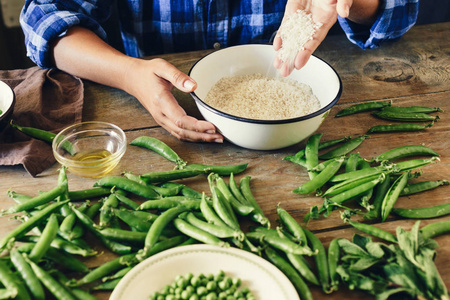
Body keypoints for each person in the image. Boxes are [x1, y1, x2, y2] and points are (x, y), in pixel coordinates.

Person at [20, 0, 418, 143]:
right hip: (151, 110)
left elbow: (401, 10)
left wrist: (355, 2)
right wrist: (128, 74)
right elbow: (43, 19)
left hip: (300, 98)